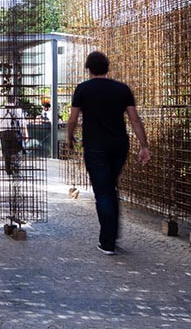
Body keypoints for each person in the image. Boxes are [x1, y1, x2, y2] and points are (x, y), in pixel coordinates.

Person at [64, 50, 151, 255]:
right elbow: (135, 119)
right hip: (119, 145)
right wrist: (144, 146)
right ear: (107, 68)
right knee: (111, 188)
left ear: (88, 69)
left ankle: (107, 242)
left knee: (103, 192)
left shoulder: (83, 89)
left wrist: (69, 137)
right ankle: (111, 235)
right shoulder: (122, 89)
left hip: (95, 146)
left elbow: (73, 119)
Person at [0, 98, 26, 175]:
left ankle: (8, 170)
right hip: (14, 133)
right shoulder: (18, 110)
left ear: (5, 100)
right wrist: (25, 134)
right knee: (16, 151)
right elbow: (22, 124)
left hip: (3, 133)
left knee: (6, 152)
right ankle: (16, 167)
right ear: (14, 101)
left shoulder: (0, 110)